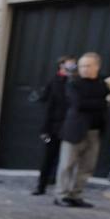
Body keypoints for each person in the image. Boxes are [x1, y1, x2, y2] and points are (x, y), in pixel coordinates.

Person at [55, 52, 110, 209]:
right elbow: (79, 104)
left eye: (88, 66)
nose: (84, 69)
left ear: (97, 66)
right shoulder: (73, 82)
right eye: (82, 65)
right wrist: (104, 102)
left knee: (86, 167)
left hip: (95, 131)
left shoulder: (104, 83)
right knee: (67, 165)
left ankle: (76, 195)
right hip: (74, 130)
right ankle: (61, 195)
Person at [32, 56, 75, 196]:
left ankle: (64, 187)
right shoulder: (54, 81)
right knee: (49, 157)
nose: (72, 65)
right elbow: (49, 106)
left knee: (69, 159)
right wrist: (45, 129)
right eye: (69, 62)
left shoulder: (76, 80)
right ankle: (41, 185)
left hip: (72, 124)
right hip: (55, 125)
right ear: (62, 65)